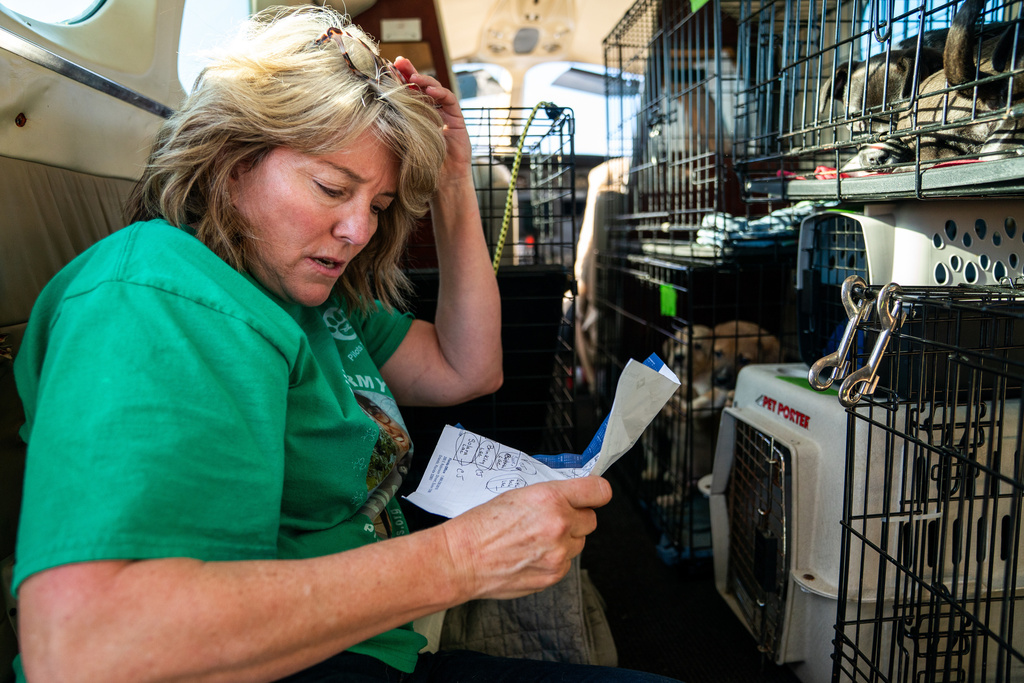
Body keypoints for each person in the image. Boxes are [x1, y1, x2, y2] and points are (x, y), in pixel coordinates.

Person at [11, 6, 684, 683]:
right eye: (332, 187)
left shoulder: (307, 298)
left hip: (372, 643)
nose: (358, 230)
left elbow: (468, 368)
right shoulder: (157, 296)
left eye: (381, 204)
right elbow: (85, 647)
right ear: (231, 160)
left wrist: (453, 182)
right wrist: (461, 558)